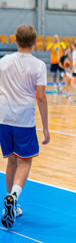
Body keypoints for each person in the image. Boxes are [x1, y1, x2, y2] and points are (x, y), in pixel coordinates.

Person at [0, 24, 50, 229]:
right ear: (35, 42)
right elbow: (41, 97)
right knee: (25, 162)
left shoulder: (3, 62)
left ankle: (9, 206)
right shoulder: (38, 66)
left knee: (11, 160)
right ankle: (13, 197)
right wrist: (46, 127)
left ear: (15, 40)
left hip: (3, 118)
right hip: (23, 121)